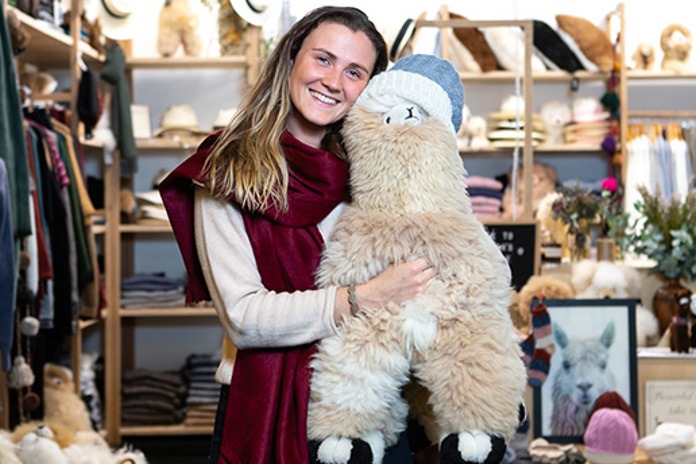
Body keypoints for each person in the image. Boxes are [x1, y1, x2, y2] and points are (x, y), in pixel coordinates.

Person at [159, 6, 436, 464]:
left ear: (370, 87)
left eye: (354, 72)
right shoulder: (227, 171)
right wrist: (364, 297)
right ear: (291, 59)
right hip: (262, 408)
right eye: (323, 59)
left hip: (370, 403)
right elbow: (244, 317)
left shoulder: (375, 173)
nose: (334, 82)